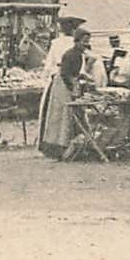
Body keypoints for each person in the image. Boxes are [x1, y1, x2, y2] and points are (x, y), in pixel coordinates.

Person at [37, 16, 86, 158]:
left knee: (55, 114)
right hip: (69, 78)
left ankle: (54, 145)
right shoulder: (75, 45)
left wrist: (47, 76)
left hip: (58, 78)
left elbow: (48, 65)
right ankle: (68, 144)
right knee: (69, 113)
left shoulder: (56, 43)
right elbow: (81, 67)